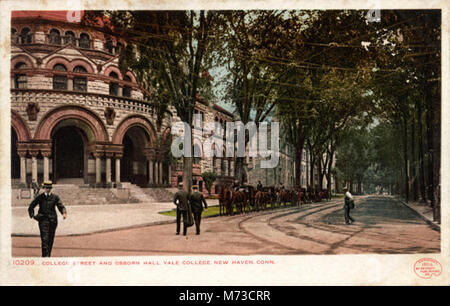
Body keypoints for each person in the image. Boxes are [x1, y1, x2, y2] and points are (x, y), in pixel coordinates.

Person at [28, 181, 67, 257]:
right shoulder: (40, 197)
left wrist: (64, 213)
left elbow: (61, 206)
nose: (48, 189)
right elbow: (31, 206)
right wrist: (32, 215)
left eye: (49, 188)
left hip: (53, 221)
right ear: (44, 188)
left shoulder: (55, 197)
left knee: (50, 240)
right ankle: (45, 258)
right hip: (43, 221)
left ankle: (48, 256)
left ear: (51, 188)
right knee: (44, 239)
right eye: (46, 188)